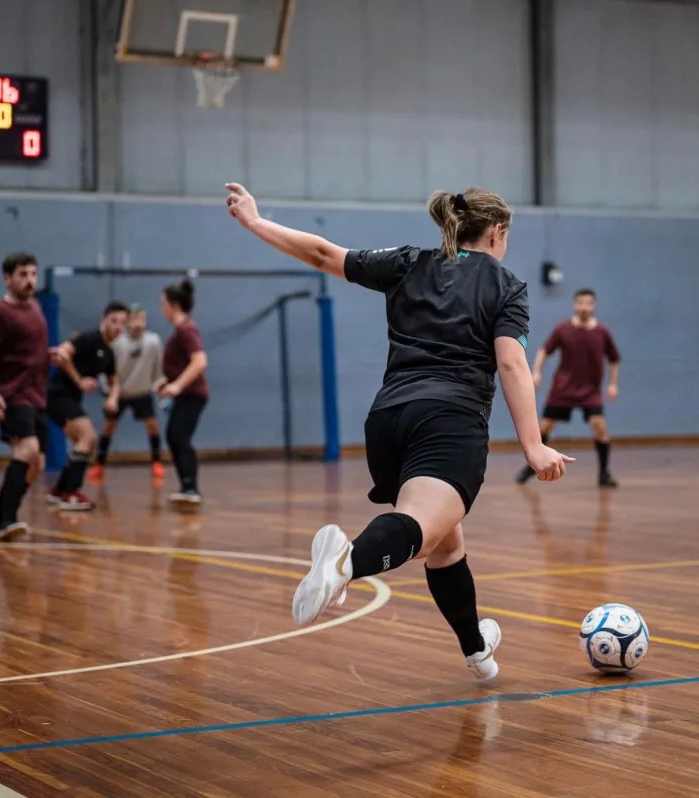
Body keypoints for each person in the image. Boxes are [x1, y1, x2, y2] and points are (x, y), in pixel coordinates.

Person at [225, 181, 573, 682]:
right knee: (418, 523)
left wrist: (256, 222)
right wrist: (534, 445)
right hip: (449, 422)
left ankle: (477, 652)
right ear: (498, 231)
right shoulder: (505, 285)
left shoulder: (409, 262)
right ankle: (346, 563)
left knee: (446, 545)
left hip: (388, 422)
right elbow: (512, 364)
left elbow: (324, 253)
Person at [0, 252, 50, 541]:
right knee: (27, 451)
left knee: (36, 464)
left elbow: (30, 348)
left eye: (33, 274)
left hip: (38, 395)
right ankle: (8, 519)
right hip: (13, 394)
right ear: (7, 278)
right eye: (22, 275)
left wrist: (48, 356)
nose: (29, 280)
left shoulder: (36, 307)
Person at [516, 288, 621, 488]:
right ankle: (532, 464)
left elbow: (614, 359)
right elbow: (544, 351)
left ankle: (604, 473)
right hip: (563, 389)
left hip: (590, 391)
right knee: (544, 427)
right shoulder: (562, 329)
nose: (584, 307)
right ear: (575, 305)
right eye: (580, 303)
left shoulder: (602, 332)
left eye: (588, 303)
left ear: (593, 305)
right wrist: (536, 372)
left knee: (599, 427)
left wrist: (613, 384)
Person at [46, 301, 129, 509]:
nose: (118, 327)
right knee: (89, 437)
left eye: (122, 323)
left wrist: (112, 398)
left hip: (71, 399)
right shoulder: (89, 338)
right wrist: (79, 380)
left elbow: (114, 381)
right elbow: (63, 353)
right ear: (104, 321)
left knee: (83, 444)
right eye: (114, 321)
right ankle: (71, 494)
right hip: (57, 395)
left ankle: (59, 491)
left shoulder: (109, 352)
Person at [91, 305, 165, 484]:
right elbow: (105, 368)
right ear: (128, 321)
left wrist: (159, 384)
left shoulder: (153, 341)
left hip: (142, 391)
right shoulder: (117, 342)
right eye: (134, 319)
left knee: (152, 425)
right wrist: (108, 392)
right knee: (109, 426)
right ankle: (99, 464)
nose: (138, 323)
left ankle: (156, 461)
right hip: (120, 392)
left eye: (142, 319)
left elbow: (159, 367)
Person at [157, 279, 209, 506]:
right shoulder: (181, 330)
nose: (162, 309)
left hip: (193, 394)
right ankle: (187, 486)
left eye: (163, 304)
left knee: (179, 437)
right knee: (174, 436)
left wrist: (177, 386)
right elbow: (181, 364)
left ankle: (190, 487)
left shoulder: (187, 329)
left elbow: (199, 361)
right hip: (186, 394)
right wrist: (166, 382)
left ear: (174, 305)